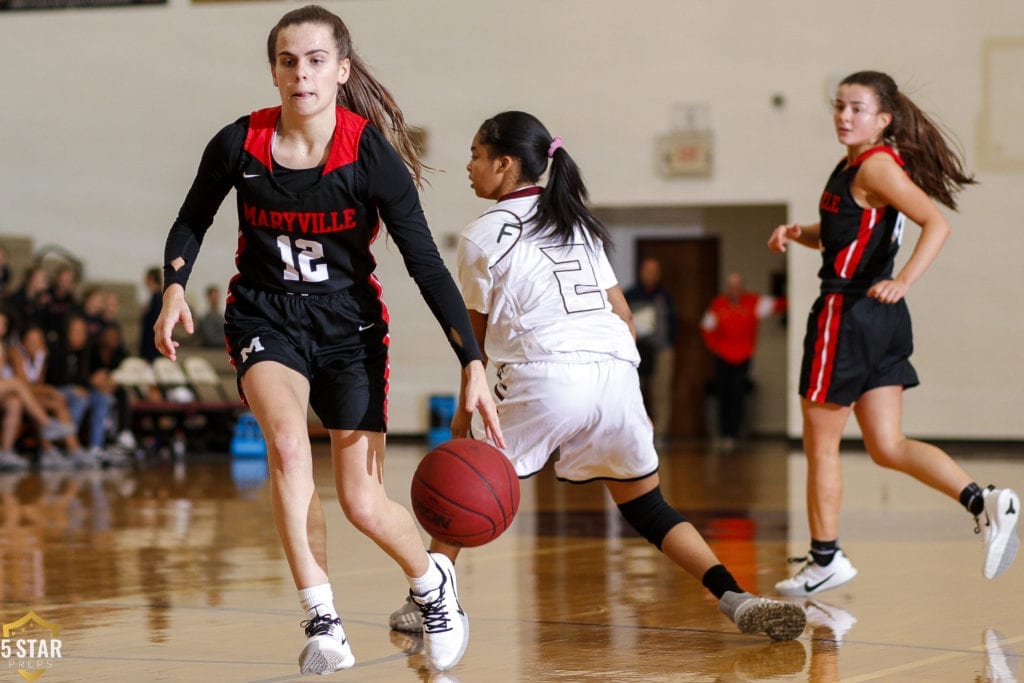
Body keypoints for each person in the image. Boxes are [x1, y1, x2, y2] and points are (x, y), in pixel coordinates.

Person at [153, 5, 502, 675]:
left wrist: (472, 361)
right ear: (275, 71)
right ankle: (323, 620)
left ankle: (434, 584)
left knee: (362, 501)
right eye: (288, 60)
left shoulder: (369, 154)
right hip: (265, 316)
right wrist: (174, 286)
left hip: (349, 327)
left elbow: (425, 263)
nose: (301, 72)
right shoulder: (239, 142)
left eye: (315, 60)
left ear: (341, 71)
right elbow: (191, 219)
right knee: (286, 446)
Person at [388, 110, 806, 642]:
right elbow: (625, 318)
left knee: (465, 489)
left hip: (545, 373)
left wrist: (465, 416)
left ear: (506, 162)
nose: (468, 166)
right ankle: (736, 597)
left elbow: (470, 339)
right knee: (648, 505)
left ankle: (425, 605)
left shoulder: (480, 235)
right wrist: (605, 375)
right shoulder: (576, 221)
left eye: (475, 154)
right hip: (614, 372)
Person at [767, 70, 1019, 596]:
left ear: (883, 119)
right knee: (887, 444)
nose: (843, 116)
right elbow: (847, 234)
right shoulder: (858, 164)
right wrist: (800, 233)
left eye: (857, 108)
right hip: (877, 321)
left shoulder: (876, 167)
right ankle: (983, 500)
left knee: (822, 446)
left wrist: (903, 280)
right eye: (839, 106)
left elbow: (937, 223)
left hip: (849, 312)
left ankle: (825, 559)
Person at [700, 272, 786, 451]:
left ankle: (733, 434)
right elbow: (706, 327)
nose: (734, 290)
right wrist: (716, 347)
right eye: (731, 287)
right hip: (722, 358)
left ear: (743, 288)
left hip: (743, 358)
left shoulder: (753, 302)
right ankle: (723, 434)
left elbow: (780, 304)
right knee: (723, 395)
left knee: (737, 395)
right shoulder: (718, 304)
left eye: (738, 287)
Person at [623, 257, 677, 437]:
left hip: (660, 350)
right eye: (648, 271)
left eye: (654, 272)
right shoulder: (630, 294)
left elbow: (671, 323)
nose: (651, 275)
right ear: (641, 273)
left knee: (660, 392)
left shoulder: (665, 295)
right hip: (635, 350)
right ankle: (633, 432)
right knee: (633, 391)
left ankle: (660, 434)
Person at [139, 267, 162, 362]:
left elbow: (153, 324)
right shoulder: (155, 297)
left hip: (152, 346)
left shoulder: (157, 298)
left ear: (151, 279)